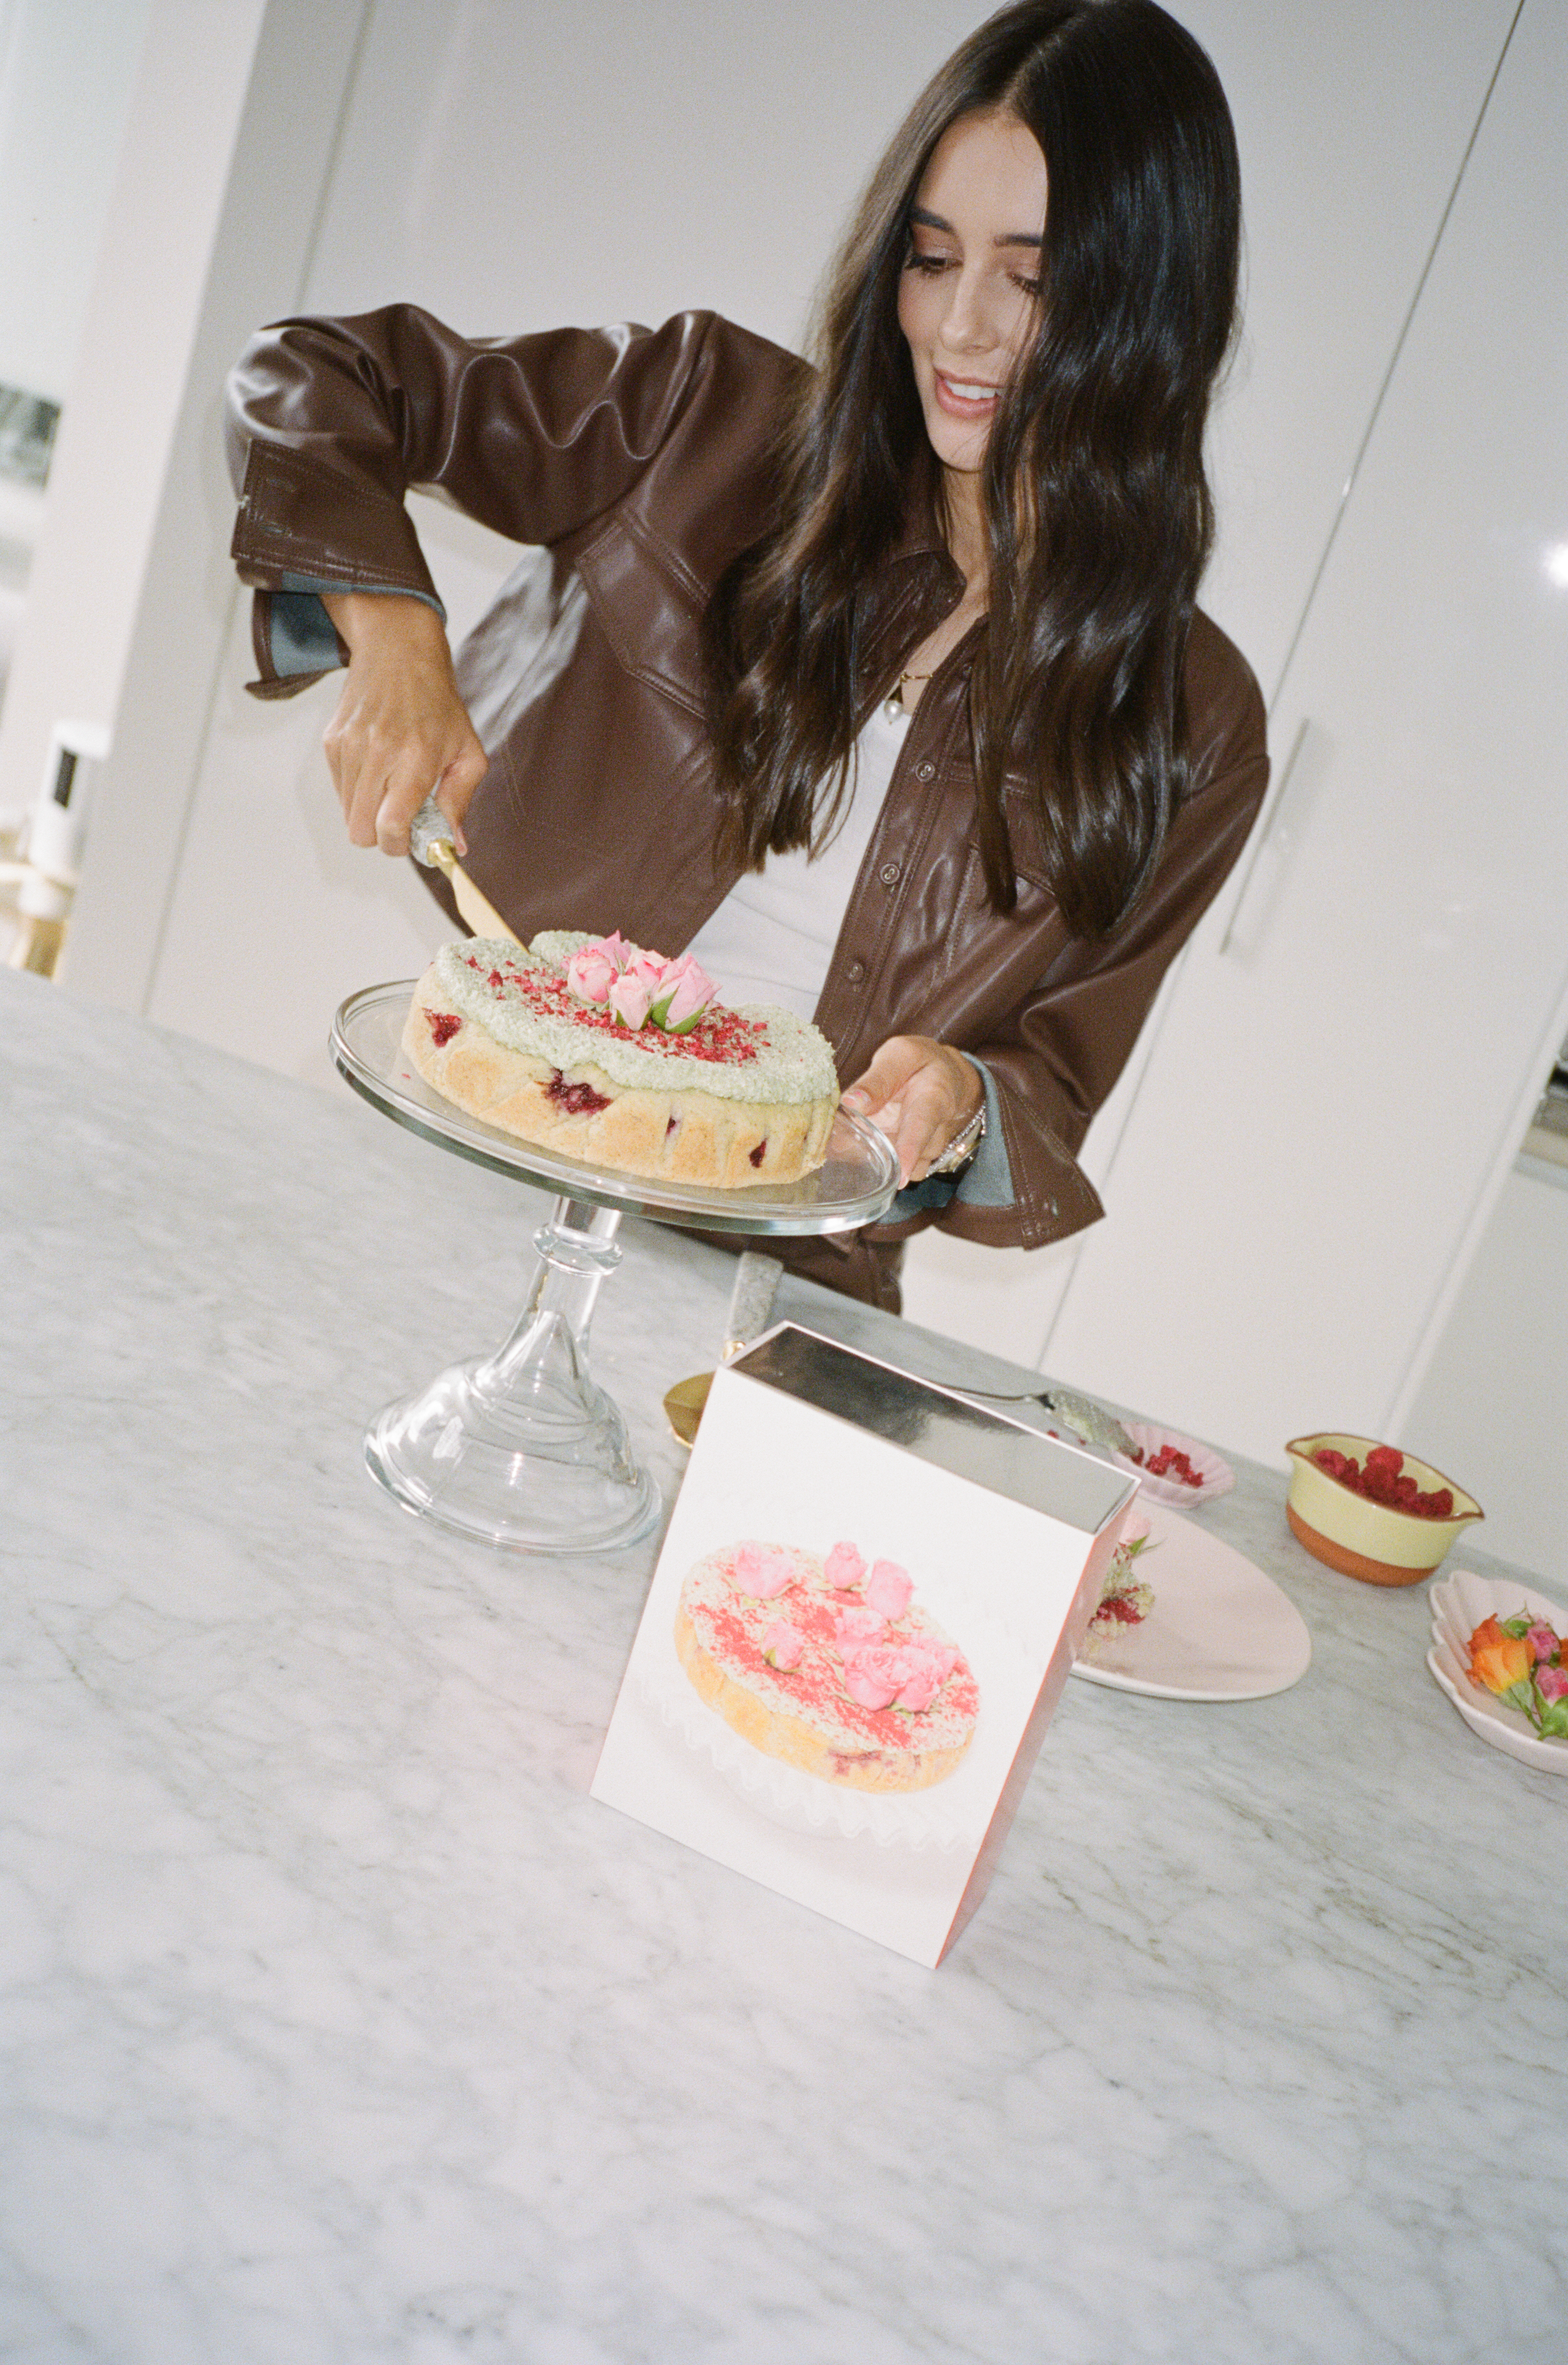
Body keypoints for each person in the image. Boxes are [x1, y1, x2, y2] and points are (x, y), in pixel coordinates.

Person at [226, 0, 1267, 1313]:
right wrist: (393, 639)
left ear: (1154, 311)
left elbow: (1052, 1076)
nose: (957, 330)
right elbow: (314, 375)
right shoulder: (702, 418)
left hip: (781, 1289)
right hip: (491, 1158)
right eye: (932, 259)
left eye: (1036, 281)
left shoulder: (1196, 719)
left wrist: (959, 1101)